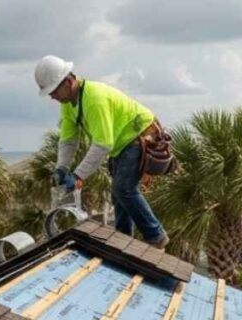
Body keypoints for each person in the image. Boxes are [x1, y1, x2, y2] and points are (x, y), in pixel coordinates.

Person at [34, 54, 168, 249]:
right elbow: (68, 140)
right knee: (119, 194)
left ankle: (156, 236)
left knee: (123, 188)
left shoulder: (94, 99)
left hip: (141, 135)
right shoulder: (68, 104)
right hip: (122, 143)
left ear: (69, 82)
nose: (52, 97)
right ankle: (123, 242)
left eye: (54, 91)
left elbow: (103, 144)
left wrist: (78, 175)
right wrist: (61, 168)